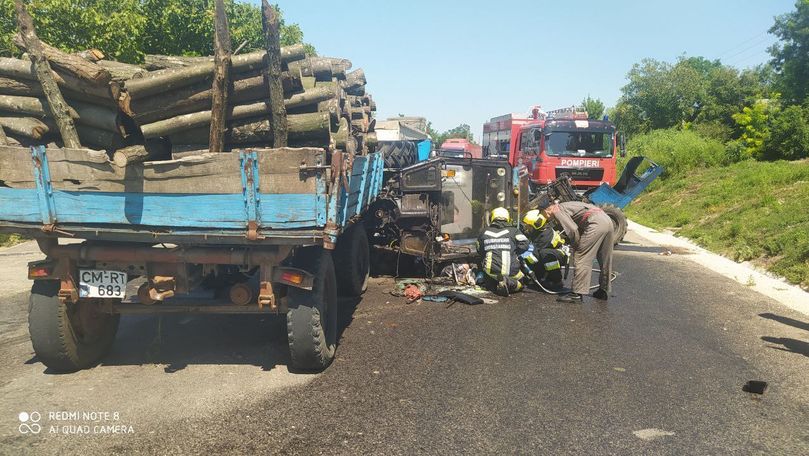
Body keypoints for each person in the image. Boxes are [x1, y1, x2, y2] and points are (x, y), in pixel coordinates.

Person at [543, 201, 613, 302]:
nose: (547, 219)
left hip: (595, 223)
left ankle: (576, 294)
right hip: (607, 220)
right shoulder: (566, 205)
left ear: (547, 210)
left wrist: (576, 245)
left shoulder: (556, 210)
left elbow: (572, 229)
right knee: (605, 258)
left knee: (581, 257)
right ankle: (603, 290)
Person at [477, 207, 530, 296]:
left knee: (489, 282)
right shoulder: (514, 231)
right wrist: (513, 251)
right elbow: (525, 245)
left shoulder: (484, 232)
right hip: (512, 272)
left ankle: (496, 283)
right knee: (523, 283)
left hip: (491, 273)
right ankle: (510, 283)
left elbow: (479, 250)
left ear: (492, 218)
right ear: (507, 218)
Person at [520, 209, 570, 291]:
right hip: (547, 254)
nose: (526, 227)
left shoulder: (546, 235)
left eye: (528, 226)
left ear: (535, 225)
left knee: (541, 255)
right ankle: (540, 279)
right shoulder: (538, 230)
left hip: (558, 255)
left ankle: (557, 280)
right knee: (537, 255)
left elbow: (536, 256)